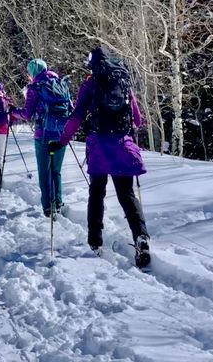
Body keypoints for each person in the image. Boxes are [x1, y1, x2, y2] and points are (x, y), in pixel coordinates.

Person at [52, 47, 151, 267]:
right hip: (122, 144)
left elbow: (77, 115)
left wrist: (62, 140)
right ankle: (141, 237)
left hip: (98, 146)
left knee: (97, 192)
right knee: (126, 194)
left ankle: (95, 242)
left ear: (93, 66)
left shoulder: (91, 84)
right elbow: (137, 119)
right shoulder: (123, 82)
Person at [10, 59, 72, 217]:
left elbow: (26, 114)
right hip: (61, 135)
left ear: (33, 72)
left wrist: (12, 112)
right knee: (56, 171)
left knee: (44, 172)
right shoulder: (61, 84)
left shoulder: (35, 88)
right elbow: (71, 108)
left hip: (43, 135)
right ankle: (57, 202)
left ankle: (47, 207)